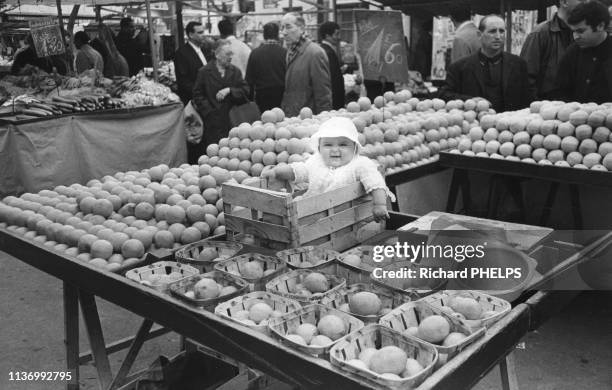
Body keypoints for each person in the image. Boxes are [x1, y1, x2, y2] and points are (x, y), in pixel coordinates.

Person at [262, 117, 394, 222]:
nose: (335, 149)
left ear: (354, 148)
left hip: (340, 218)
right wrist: (280, 171)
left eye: (343, 144)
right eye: (328, 145)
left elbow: (375, 182)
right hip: (310, 211)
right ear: (319, 148)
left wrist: (379, 205)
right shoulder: (316, 161)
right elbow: (301, 170)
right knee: (288, 210)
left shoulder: (360, 164)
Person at [440, 15, 533, 113]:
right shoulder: (460, 67)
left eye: (501, 31)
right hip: (474, 125)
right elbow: (444, 94)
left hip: (509, 124)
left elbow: (527, 99)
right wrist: (470, 100)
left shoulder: (518, 64)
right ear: (479, 35)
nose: (498, 36)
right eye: (492, 31)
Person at [520, 0, 585, 100]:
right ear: (564, 2)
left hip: (577, 108)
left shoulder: (585, 32)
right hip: (547, 106)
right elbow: (526, 77)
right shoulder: (540, 33)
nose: (586, 2)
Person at [192, 39, 249, 149]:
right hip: (213, 123)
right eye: (228, 54)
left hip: (232, 121)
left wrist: (230, 90)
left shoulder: (235, 71)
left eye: (231, 53)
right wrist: (209, 112)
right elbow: (197, 95)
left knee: (233, 153)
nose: (231, 57)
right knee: (214, 152)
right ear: (217, 54)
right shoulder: (204, 72)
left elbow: (245, 89)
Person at [555, 1, 612, 104]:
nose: (575, 37)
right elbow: (560, 92)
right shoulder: (571, 53)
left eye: (580, 31)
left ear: (600, 26)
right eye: (573, 31)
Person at [280, 12, 332, 117]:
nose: (284, 33)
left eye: (288, 27)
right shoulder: (290, 52)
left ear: (302, 29)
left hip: (310, 120)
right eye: (282, 28)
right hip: (292, 117)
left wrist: (324, 120)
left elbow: (323, 94)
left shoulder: (315, 53)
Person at [245, 22, 286, 112]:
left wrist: (250, 100)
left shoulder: (255, 53)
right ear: (277, 35)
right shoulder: (285, 53)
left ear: (264, 35)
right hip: (281, 96)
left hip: (262, 97)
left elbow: (249, 80)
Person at [174, 21, 211, 105]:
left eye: (203, 32)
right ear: (191, 35)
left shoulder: (205, 50)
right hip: (194, 100)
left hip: (208, 98)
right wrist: (200, 93)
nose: (203, 35)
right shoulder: (182, 53)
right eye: (200, 33)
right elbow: (183, 80)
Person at [319, 21, 345, 110]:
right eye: (336, 34)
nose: (339, 37)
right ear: (327, 36)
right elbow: (332, 79)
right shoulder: (328, 52)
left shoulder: (324, 49)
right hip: (334, 99)